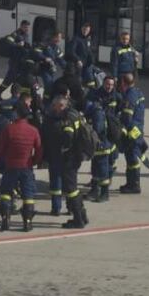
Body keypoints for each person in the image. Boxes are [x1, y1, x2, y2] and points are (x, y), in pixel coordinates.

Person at [0, 101, 43, 232]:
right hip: (26, 167)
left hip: (10, 166)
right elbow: (39, 150)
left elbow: (0, 149)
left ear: (16, 113)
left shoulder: (8, 129)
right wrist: (34, 161)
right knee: (28, 194)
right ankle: (27, 222)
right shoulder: (33, 131)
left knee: (6, 192)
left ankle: (5, 218)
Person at [45, 96, 90, 229]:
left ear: (62, 106)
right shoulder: (74, 115)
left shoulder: (67, 119)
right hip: (75, 157)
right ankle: (82, 215)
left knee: (71, 190)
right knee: (73, 188)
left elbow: (68, 137)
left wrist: (62, 148)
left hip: (68, 159)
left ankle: (78, 220)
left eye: (58, 106)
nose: (55, 108)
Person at [117, 72, 149, 194]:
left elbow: (127, 117)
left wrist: (123, 128)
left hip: (132, 130)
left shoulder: (129, 96)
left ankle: (134, 184)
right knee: (132, 154)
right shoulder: (138, 92)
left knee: (131, 156)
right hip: (138, 128)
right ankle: (131, 183)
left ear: (123, 83)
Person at [0, 20, 31, 100]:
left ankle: (14, 95)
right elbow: (8, 41)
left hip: (21, 61)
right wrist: (17, 44)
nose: (27, 29)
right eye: (25, 27)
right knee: (9, 79)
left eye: (27, 27)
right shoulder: (15, 34)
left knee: (18, 80)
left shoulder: (25, 35)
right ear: (21, 26)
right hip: (15, 61)